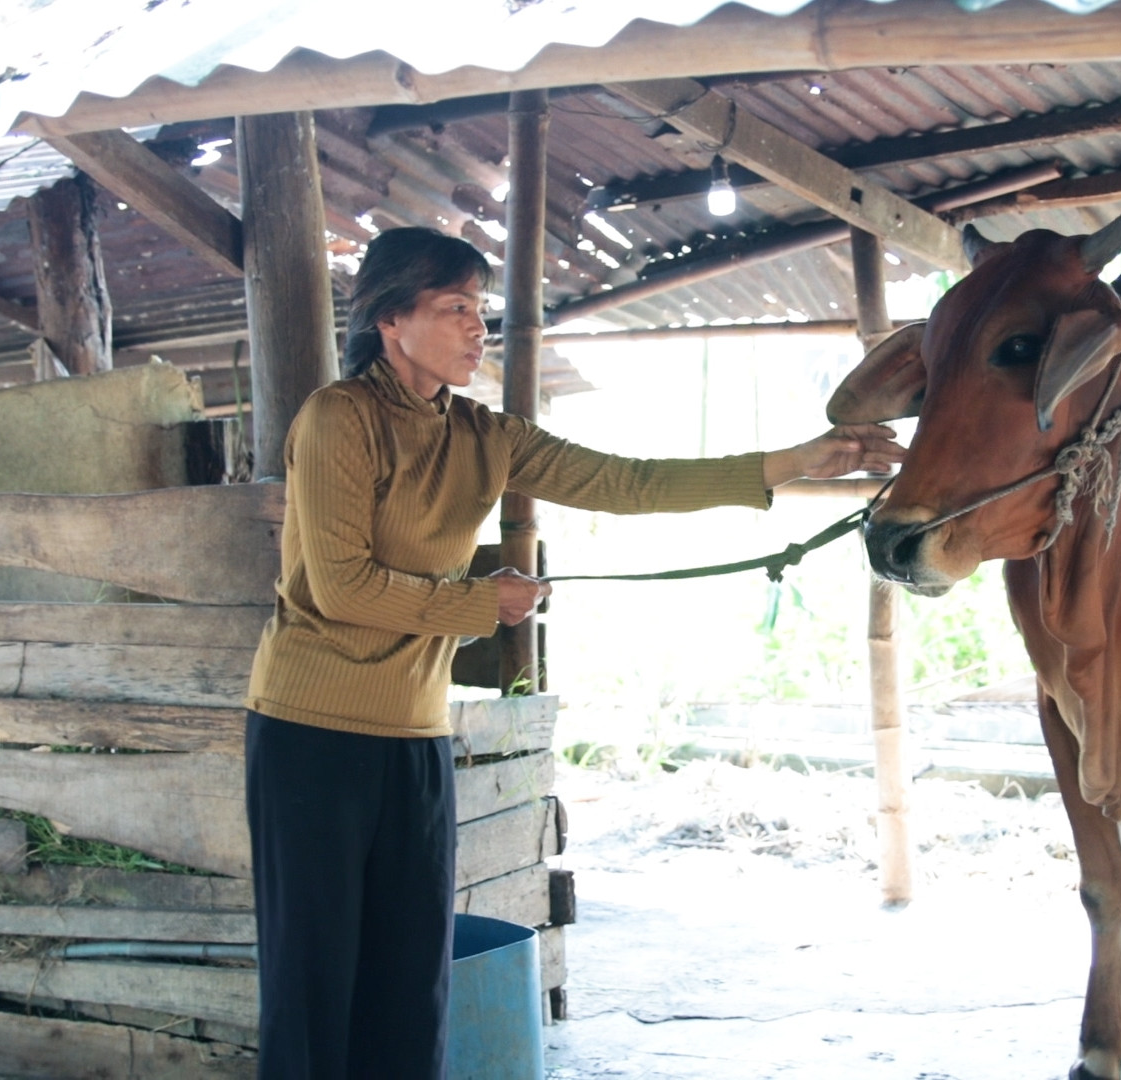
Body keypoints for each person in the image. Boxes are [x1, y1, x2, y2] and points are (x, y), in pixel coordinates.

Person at [241, 225, 902, 1079]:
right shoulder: (340, 419)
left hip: (413, 739)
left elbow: (629, 482)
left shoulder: (484, 435)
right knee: (313, 989)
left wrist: (795, 462)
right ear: (390, 321)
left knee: (410, 989)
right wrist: (485, 602)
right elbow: (342, 589)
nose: (478, 327)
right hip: (310, 736)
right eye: (455, 308)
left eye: (480, 308)